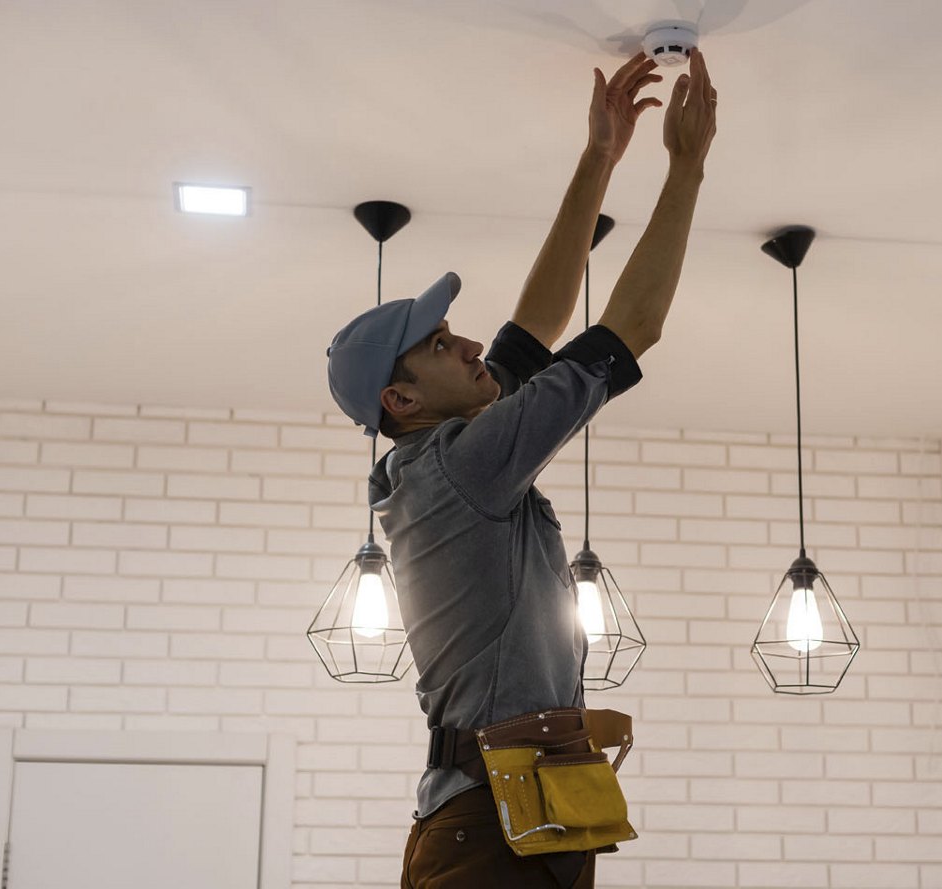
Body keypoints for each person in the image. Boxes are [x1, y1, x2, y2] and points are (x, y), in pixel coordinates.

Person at [325, 48, 717, 889]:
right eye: (439, 345)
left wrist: (601, 158)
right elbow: (630, 329)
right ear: (400, 399)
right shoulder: (465, 463)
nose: (469, 345)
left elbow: (530, 329)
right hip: (493, 828)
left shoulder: (447, 456)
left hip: (522, 813)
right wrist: (686, 168)